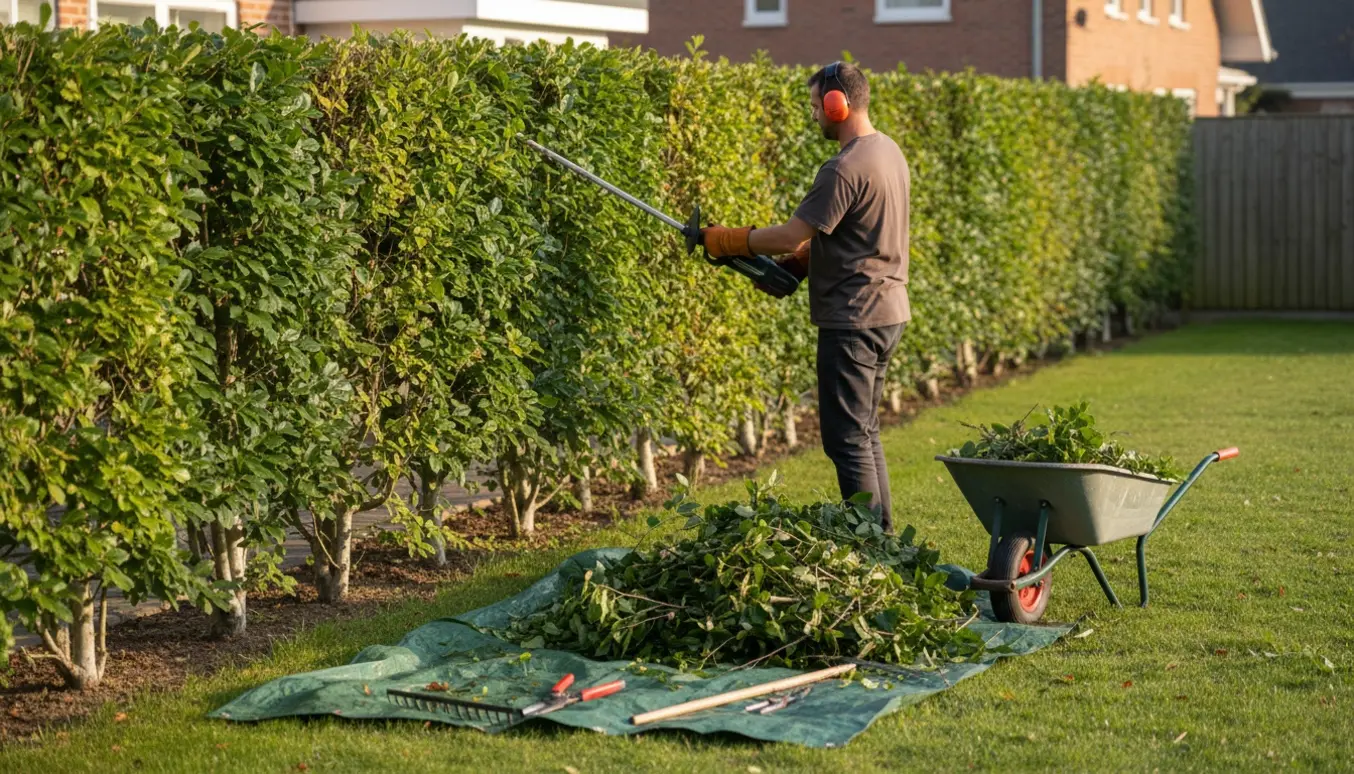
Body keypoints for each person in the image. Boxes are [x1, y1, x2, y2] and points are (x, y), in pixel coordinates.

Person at [700, 61, 911, 532]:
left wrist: (728, 239)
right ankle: (883, 538)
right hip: (887, 312)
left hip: (853, 320)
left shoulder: (844, 166)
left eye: (817, 106)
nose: (814, 115)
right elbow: (851, 235)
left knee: (845, 440)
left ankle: (871, 544)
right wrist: (799, 266)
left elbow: (790, 233)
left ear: (838, 105)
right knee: (864, 431)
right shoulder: (889, 152)